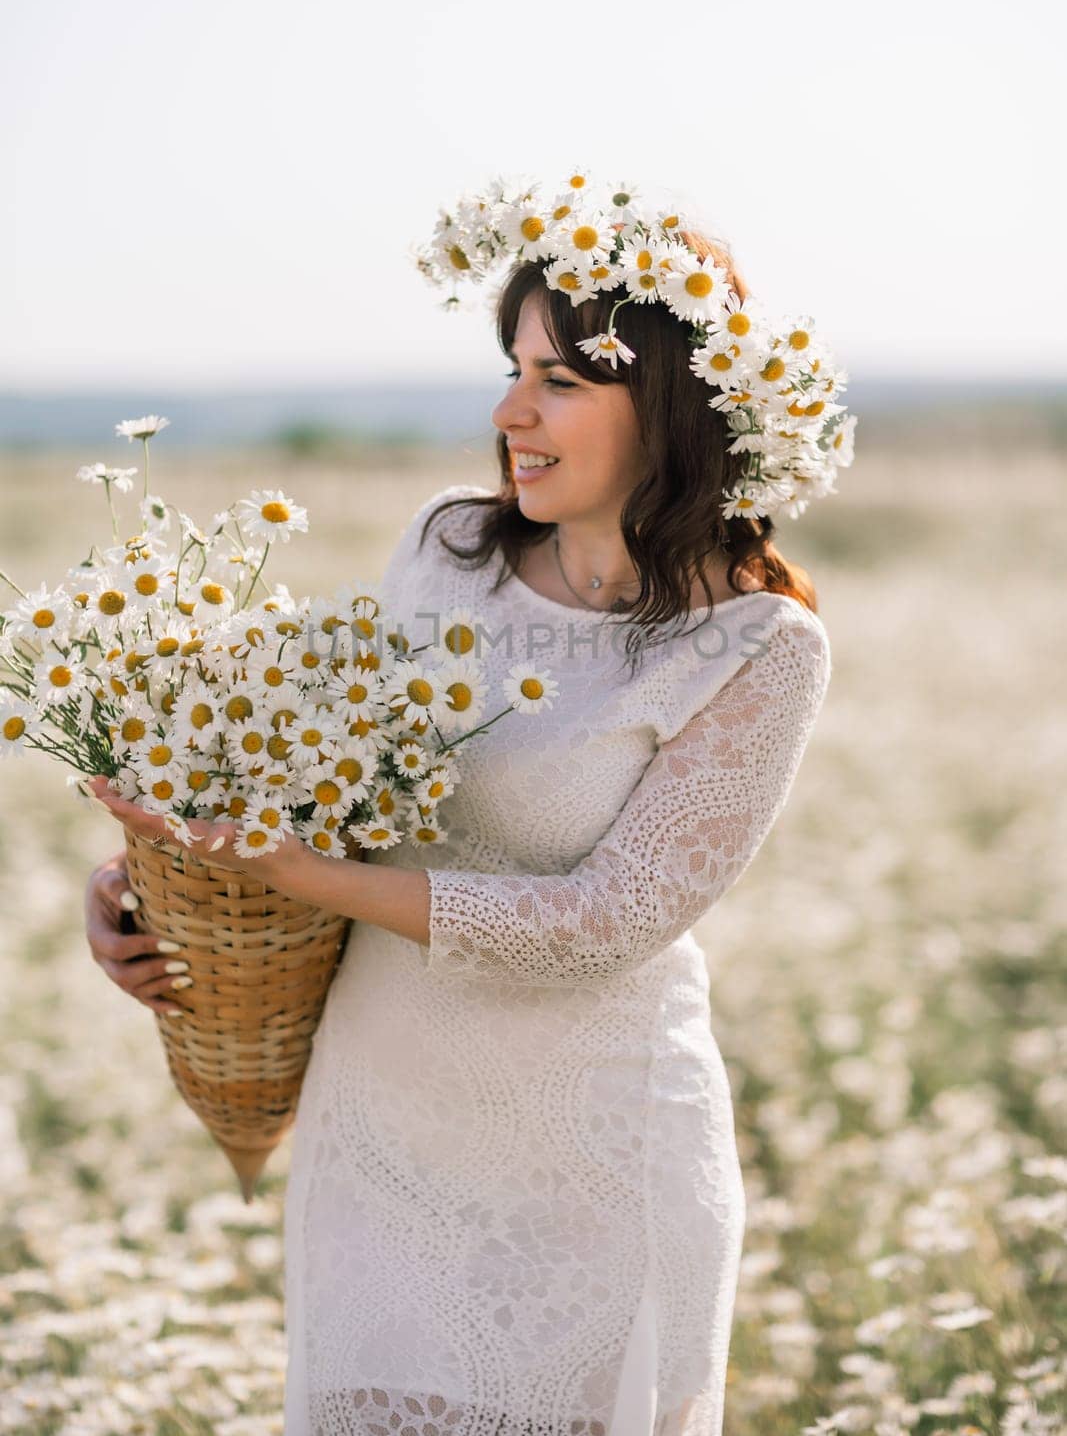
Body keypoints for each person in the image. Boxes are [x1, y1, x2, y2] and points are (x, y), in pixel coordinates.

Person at [84, 203, 841, 1434]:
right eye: (510, 372)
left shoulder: (756, 646)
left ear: (672, 402)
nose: (510, 415)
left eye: (558, 379)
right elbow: (325, 775)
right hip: (376, 1130)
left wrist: (299, 873)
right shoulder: (446, 548)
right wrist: (165, 883)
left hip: (591, 1165)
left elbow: (603, 925)